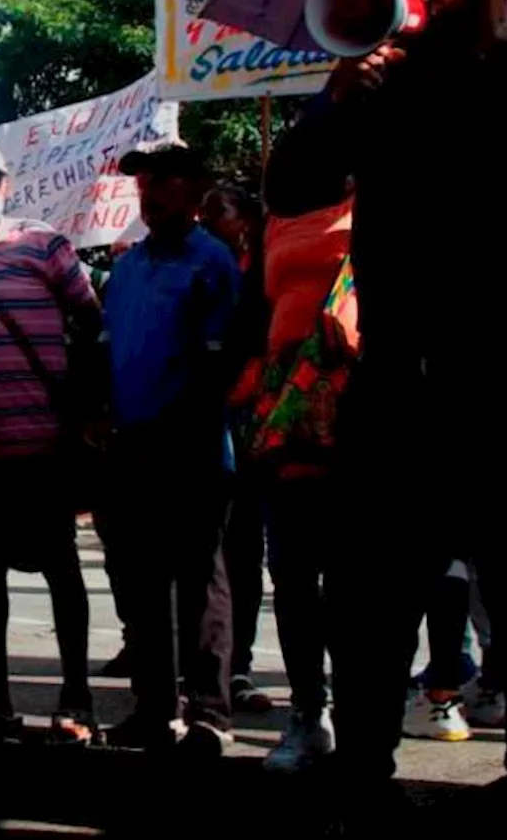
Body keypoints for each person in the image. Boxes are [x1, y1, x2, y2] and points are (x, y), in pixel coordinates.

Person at [296, 0, 507, 811]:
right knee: (369, 597)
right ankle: (362, 770)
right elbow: (288, 187)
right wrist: (337, 100)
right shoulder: (383, 77)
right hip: (399, 389)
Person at [0, 140, 101, 747]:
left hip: (42, 446)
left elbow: (92, 324)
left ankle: (78, 700)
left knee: (62, 572)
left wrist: (84, 412)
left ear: (7, 188)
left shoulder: (46, 246)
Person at [98, 144, 239, 757]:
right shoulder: (128, 269)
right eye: (144, 182)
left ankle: (208, 712)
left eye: (164, 179)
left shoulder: (212, 264)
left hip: (192, 448)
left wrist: (171, 430)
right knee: (143, 584)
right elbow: (108, 355)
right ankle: (154, 707)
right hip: (130, 449)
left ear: (195, 189)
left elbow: (219, 367)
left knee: (199, 577)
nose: (150, 191)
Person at [230, 132, 358, 773]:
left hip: (358, 411)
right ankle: (310, 712)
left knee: (355, 576)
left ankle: (362, 715)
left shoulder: (372, 204)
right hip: (285, 415)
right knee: (292, 572)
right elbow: (257, 311)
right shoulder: (275, 221)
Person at [202, 186, 273, 716]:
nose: (208, 224)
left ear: (245, 218)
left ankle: (241, 665)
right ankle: (215, 668)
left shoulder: (266, 265)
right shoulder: (202, 267)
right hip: (213, 425)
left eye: (217, 214)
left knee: (246, 551)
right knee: (218, 554)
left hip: (259, 429)